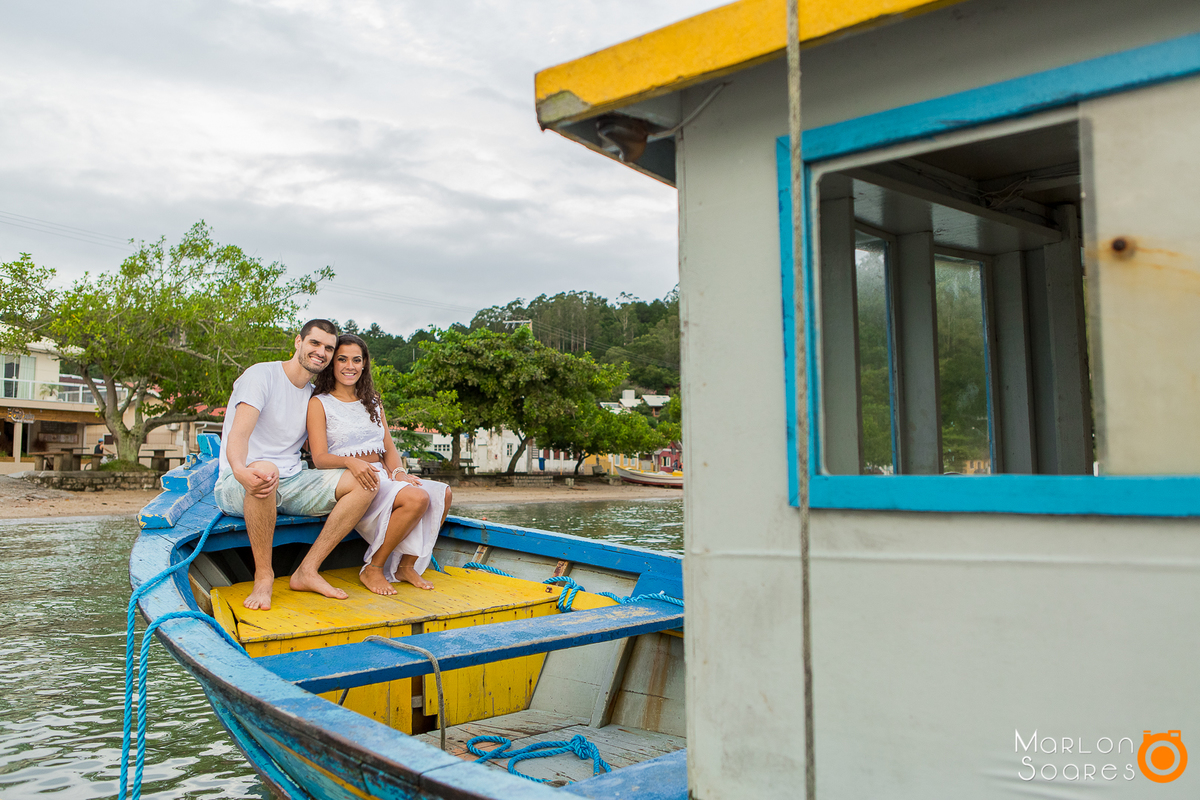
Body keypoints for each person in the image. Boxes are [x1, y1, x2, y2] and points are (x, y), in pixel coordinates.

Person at [214, 319, 379, 611]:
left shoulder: (313, 396)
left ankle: (308, 569)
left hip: (292, 481)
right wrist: (240, 471)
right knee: (266, 470)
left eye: (329, 348)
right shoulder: (261, 376)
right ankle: (264, 576)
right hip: (240, 482)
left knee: (366, 481)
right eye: (315, 343)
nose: (321, 352)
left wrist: (361, 461)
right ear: (298, 342)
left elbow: (322, 448)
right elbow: (238, 435)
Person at [307, 333, 452, 594]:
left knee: (443, 493)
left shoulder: (373, 401)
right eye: (342, 359)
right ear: (332, 364)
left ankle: (406, 567)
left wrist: (398, 473)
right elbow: (319, 458)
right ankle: (373, 568)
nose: (349, 366)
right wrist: (351, 463)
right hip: (353, 482)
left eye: (356, 360)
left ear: (364, 364)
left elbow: (388, 447)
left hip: (386, 478)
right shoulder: (320, 403)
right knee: (417, 499)